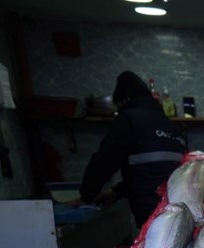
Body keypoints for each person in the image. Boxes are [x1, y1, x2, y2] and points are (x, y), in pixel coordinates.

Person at [79, 71, 186, 227]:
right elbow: (153, 168)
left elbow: (104, 161)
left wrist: (86, 196)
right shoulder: (170, 125)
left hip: (151, 209)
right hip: (179, 206)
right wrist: (117, 192)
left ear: (124, 101)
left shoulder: (128, 119)